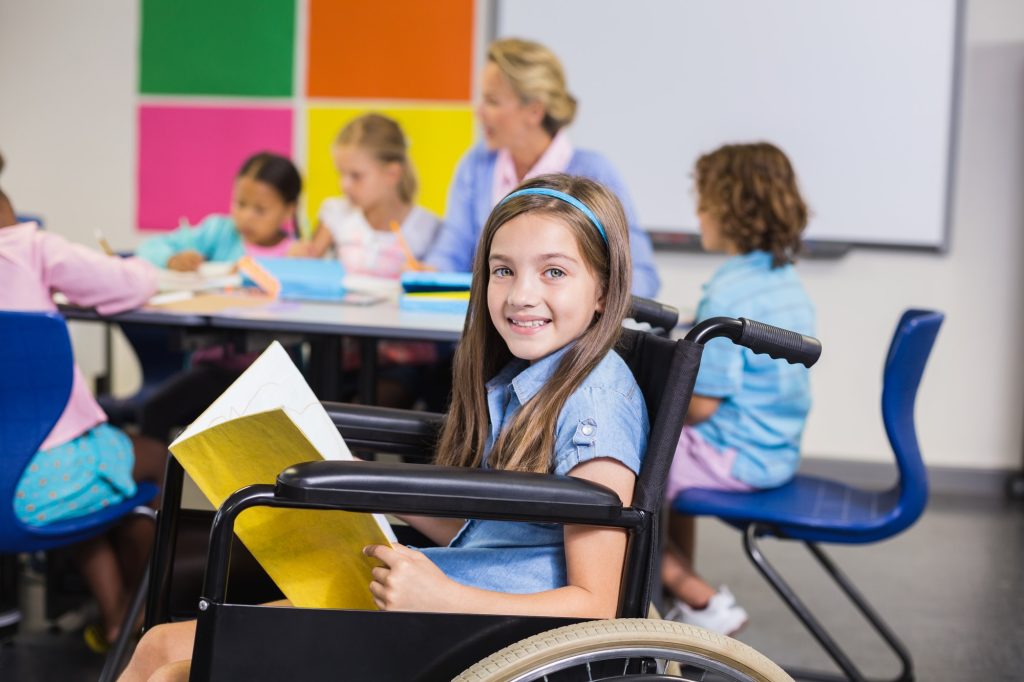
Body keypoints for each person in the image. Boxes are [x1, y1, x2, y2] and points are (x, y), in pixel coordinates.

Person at [118, 173, 649, 681]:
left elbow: (599, 605)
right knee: (159, 645)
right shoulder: (533, 379)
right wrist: (363, 484)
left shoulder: (596, 404)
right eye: (503, 270)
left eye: (553, 271)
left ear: (603, 290)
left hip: (476, 627)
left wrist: (446, 599)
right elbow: (493, 536)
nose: (520, 295)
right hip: (448, 594)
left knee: (174, 667)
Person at [0, 151, 166, 650]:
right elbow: (134, 283)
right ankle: (147, 618)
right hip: (39, 488)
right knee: (159, 458)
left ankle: (114, 616)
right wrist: (137, 262)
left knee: (83, 471)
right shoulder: (30, 248)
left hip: (25, 485)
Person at [660, 142, 816, 635]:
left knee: (613, 473)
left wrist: (646, 389)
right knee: (662, 464)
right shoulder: (783, 279)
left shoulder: (728, 293)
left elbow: (701, 407)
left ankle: (700, 600)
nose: (698, 210)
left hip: (734, 454)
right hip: (774, 451)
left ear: (729, 208)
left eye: (704, 198)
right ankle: (675, 594)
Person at [425, 37, 660, 298]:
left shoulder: (594, 172)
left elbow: (641, 276)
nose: (479, 112)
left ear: (534, 111)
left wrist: (585, 302)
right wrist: (428, 273)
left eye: (492, 101)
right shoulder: (476, 165)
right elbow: (451, 251)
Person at [135, 152, 302, 443]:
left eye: (260, 209)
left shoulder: (296, 253)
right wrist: (172, 258)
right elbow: (149, 249)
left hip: (269, 376)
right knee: (154, 411)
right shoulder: (218, 232)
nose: (246, 215)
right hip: (215, 368)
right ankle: (160, 487)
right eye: (240, 204)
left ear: (288, 211)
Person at [289, 113, 442, 406]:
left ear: (392, 174)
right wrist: (299, 255)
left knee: (356, 422)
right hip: (340, 358)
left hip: (402, 362)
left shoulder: (426, 228)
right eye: (341, 174)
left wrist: (424, 276)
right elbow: (309, 264)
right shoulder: (336, 214)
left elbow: (437, 285)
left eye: (356, 176)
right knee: (312, 416)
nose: (345, 185)